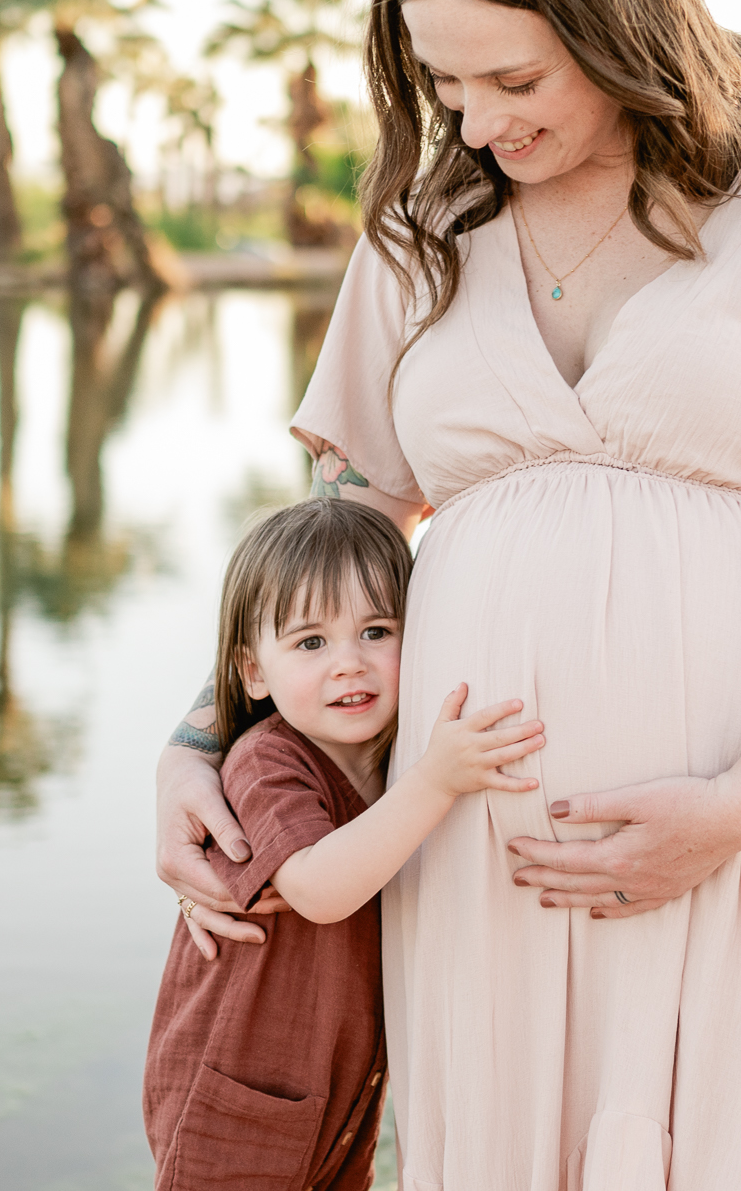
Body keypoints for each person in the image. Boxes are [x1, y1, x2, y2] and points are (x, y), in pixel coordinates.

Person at [155, 0, 741, 1185]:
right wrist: (201, 739)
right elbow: (339, 540)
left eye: (515, 75)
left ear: (619, 17)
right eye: (443, 80)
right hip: (483, 859)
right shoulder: (421, 239)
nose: (478, 120)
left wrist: (740, 801)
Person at [143, 498, 546, 1190]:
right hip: (238, 1101)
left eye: (376, 630)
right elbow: (318, 887)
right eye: (311, 642)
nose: (349, 664)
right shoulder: (266, 761)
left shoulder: (388, 759)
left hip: (337, 1104)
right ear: (252, 672)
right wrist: (436, 780)